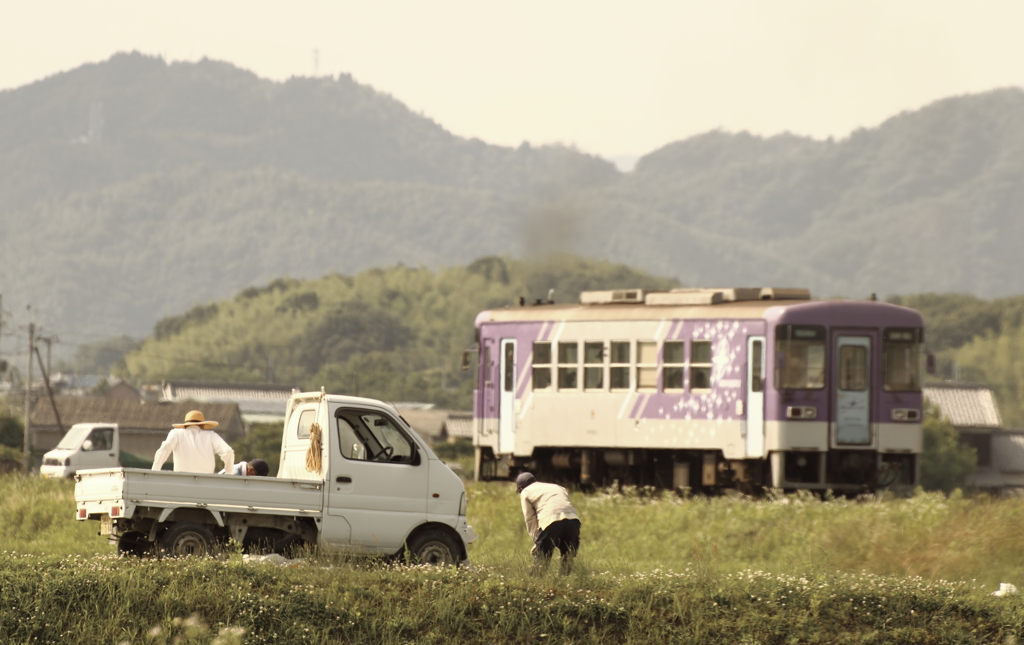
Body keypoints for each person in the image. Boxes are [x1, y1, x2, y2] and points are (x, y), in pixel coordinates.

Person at [516, 472, 581, 574]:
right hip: (573, 520)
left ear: (520, 488)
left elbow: (530, 518)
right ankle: (565, 583)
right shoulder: (558, 487)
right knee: (568, 557)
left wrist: (536, 541)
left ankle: (536, 584)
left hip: (550, 521)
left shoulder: (525, 492)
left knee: (542, 557)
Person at [152, 410, 234, 474]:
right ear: (202, 425)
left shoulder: (176, 433)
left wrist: (155, 471)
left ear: (185, 424)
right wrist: (229, 473)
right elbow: (228, 451)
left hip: (181, 482)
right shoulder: (211, 435)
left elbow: (165, 448)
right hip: (206, 483)